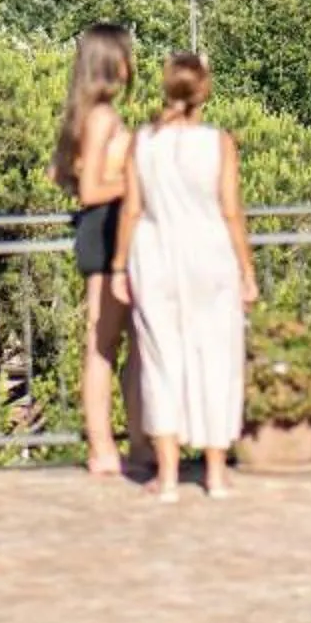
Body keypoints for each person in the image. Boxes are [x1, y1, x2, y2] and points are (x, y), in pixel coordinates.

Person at [113, 51, 256, 501]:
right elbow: (231, 211)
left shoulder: (143, 142)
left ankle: (170, 475)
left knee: (160, 362)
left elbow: (132, 209)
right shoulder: (219, 143)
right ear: (203, 92)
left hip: (154, 256)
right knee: (217, 357)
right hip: (209, 253)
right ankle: (214, 472)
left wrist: (119, 266)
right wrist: (247, 270)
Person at [53, 23, 140, 479]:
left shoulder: (88, 114)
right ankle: (104, 447)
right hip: (105, 230)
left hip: (106, 230)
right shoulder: (103, 117)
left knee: (116, 342)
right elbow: (89, 189)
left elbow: (64, 174)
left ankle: (127, 442)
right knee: (104, 344)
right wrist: (140, 181)